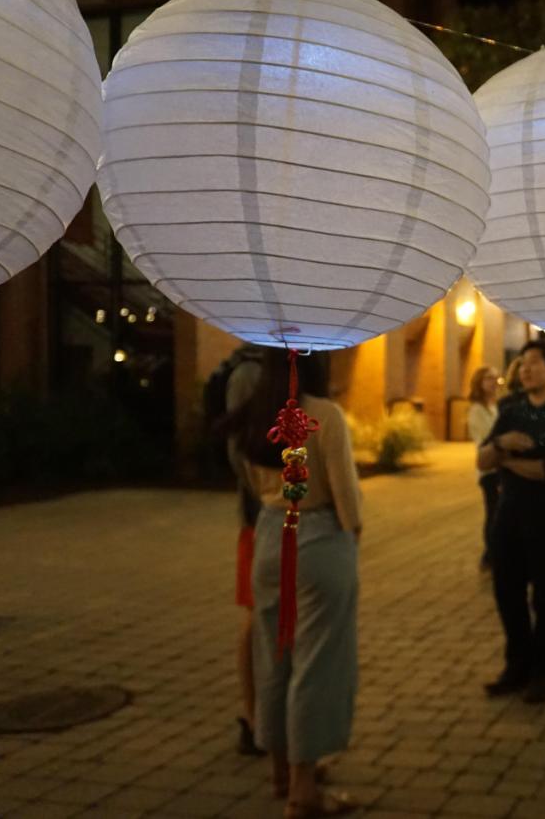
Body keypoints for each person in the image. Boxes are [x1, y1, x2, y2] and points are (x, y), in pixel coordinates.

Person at [226, 349, 362, 818]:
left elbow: (246, 478)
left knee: (274, 657)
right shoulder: (324, 415)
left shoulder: (252, 415)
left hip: (267, 536)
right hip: (319, 537)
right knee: (316, 664)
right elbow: (347, 497)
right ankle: (304, 790)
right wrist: (353, 537)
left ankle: (281, 771)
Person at [477, 339, 545, 704]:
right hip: (509, 515)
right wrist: (501, 446)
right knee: (507, 592)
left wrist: (509, 461)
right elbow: (481, 461)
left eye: (534, 362)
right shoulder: (511, 410)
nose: (526, 369)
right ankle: (517, 666)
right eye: (523, 362)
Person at [223, 347, 267, 757]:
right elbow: (241, 452)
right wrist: (269, 498)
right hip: (260, 519)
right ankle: (252, 720)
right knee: (257, 617)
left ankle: (266, 718)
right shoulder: (250, 372)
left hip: (282, 515)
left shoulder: (281, 364)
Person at [467, 366, 501, 572]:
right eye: (489, 378)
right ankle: (490, 555)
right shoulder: (477, 410)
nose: (493, 382)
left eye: (495, 378)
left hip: (502, 467)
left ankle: (493, 553)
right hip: (489, 470)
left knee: (498, 512)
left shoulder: (496, 405)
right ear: (480, 382)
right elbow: (483, 441)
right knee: (493, 512)